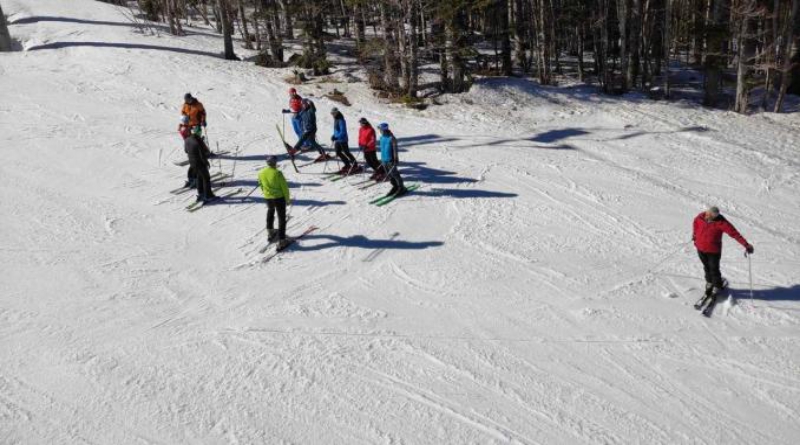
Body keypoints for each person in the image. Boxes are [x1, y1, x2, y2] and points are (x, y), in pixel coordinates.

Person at [693, 206, 753, 295]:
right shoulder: (699, 218)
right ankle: (709, 282)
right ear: (707, 212)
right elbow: (695, 226)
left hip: (713, 251)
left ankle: (717, 285)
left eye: (713, 216)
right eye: (709, 214)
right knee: (706, 267)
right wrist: (695, 236)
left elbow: (734, 233)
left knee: (714, 269)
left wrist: (746, 244)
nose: (709, 217)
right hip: (700, 248)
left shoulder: (722, 223)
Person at [258, 155, 292, 250]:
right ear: (275, 163)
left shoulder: (261, 172)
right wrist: (287, 199)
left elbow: (260, 184)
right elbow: (284, 187)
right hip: (279, 198)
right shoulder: (277, 173)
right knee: (281, 218)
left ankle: (270, 230)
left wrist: (266, 193)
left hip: (268, 197)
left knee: (270, 211)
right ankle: (282, 240)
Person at [185, 126, 216, 202]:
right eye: (200, 132)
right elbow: (202, 154)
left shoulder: (187, 139)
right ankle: (208, 196)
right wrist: (206, 162)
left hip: (192, 163)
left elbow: (186, 150)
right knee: (206, 178)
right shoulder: (198, 141)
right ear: (198, 133)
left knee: (199, 177)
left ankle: (201, 193)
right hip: (200, 163)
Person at [377, 122, 408, 197]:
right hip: (384, 159)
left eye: (380, 129)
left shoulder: (392, 138)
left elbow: (395, 150)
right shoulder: (381, 138)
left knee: (395, 174)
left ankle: (401, 187)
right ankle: (395, 186)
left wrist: (396, 159)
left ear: (384, 129)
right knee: (389, 175)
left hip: (391, 160)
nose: (379, 131)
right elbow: (382, 149)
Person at [331, 107, 360, 174]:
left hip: (343, 139)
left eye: (333, 113)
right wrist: (334, 135)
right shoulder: (336, 119)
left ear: (337, 112)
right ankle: (347, 164)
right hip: (338, 140)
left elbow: (343, 131)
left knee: (346, 152)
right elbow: (336, 130)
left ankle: (355, 164)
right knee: (338, 152)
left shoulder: (341, 120)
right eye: (331, 113)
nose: (332, 115)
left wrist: (336, 137)